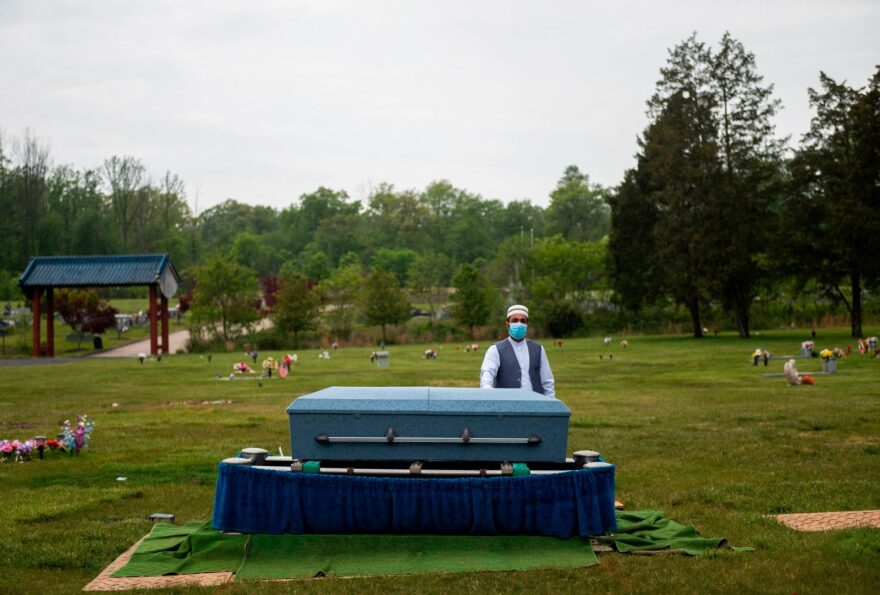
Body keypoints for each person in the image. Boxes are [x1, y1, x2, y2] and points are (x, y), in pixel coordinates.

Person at [479, 304, 555, 398]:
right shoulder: (495, 350)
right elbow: (487, 373)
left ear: (527, 324)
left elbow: (547, 382)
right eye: (515, 320)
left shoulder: (538, 349)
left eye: (523, 321)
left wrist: (550, 404)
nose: (519, 324)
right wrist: (487, 390)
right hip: (507, 405)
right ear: (507, 325)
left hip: (535, 405)